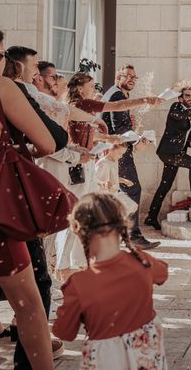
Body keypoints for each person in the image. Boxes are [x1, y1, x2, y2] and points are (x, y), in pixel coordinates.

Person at [0, 22, 56, 370]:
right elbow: (46, 142)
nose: (1, 62)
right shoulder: (0, 89)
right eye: (0, 54)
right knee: (29, 307)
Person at [53, 193, 168, 369]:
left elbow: (64, 332)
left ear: (79, 232)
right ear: (122, 225)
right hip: (147, 355)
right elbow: (163, 274)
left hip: (105, 360)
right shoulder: (142, 261)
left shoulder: (79, 284)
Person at [71, 72, 163, 251]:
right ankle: (123, 236)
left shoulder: (82, 106)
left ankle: (102, 242)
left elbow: (86, 133)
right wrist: (145, 100)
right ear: (80, 89)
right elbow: (117, 106)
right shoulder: (83, 103)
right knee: (94, 203)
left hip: (87, 158)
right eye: (90, 86)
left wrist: (109, 137)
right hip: (82, 160)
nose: (94, 89)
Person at [102, 65, 160, 249]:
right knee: (132, 189)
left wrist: (136, 139)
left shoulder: (116, 94)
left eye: (135, 77)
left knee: (118, 191)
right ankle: (132, 236)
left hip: (117, 149)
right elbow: (118, 128)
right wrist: (138, 140)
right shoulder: (117, 95)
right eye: (128, 76)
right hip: (117, 151)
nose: (132, 80)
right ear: (118, 77)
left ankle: (119, 233)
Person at [146, 87, 191, 230]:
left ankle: (151, 217)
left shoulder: (190, 118)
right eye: (187, 95)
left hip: (176, 153)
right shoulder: (176, 107)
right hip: (168, 152)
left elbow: (186, 139)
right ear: (180, 98)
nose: (190, 98)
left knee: (165, 186)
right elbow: (178, 116)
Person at [96, 142, 139, 216]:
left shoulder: (115, 161)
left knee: (132, 206)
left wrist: (124, 181)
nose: (121, 156)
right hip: (105, 196)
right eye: (119, 153)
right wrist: (103, 183)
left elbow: (114, 176)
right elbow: (96, 179)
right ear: (111, 150)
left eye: (122, 154)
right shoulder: (103, 163)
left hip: (114, 193)